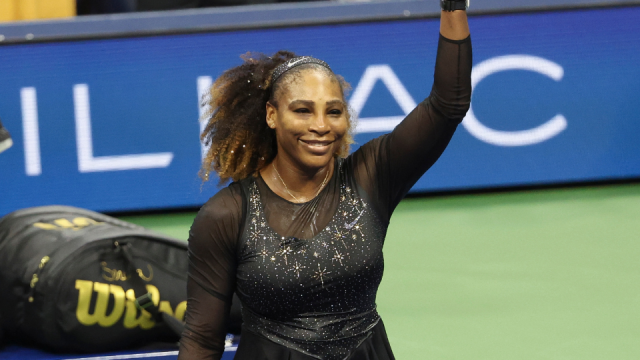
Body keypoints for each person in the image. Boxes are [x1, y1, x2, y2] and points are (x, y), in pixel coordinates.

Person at [179, 2, 471, 359]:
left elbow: (448, 105)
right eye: (302, 110)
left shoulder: (372, 176)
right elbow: (202, 339)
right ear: (272, 115)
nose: (321, 125)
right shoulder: (225, 216)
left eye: (334, 111)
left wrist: (453, 6)